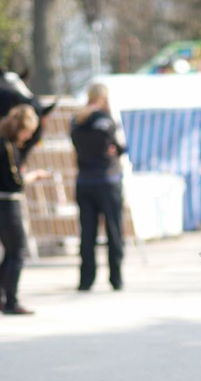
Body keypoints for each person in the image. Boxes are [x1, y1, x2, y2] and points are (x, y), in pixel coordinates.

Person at [70, 83, 125, 291]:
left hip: (84, 180)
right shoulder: (106, 119)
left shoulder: (76, 120)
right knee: (113, 230)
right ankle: (116, 278)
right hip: (107, 180)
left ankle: (86, 279)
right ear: (103, 98)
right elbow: (118, 147)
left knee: (87, 233)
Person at [0, 104, 50, 314]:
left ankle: (4, 297)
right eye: (28, 132)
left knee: (9, 253)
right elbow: (15, 182)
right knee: (17, 251)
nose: (29, 137)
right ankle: (11, 300)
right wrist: (32, 176)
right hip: (7, 203)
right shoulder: (7, 147)